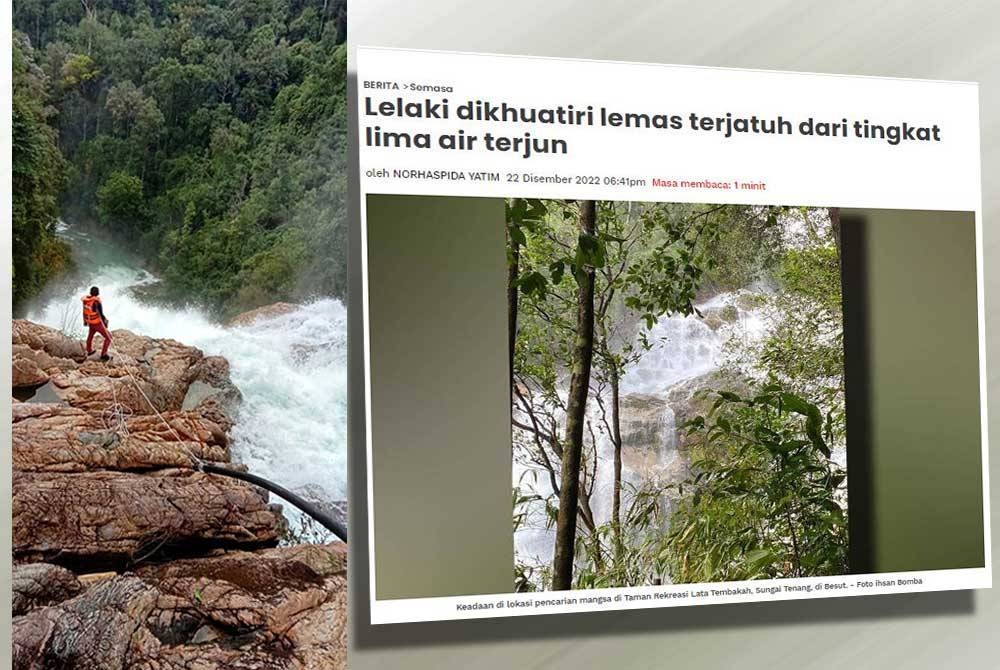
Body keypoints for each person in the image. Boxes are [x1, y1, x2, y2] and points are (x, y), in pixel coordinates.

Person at [82, 286, 112, 361]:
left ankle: (89, 351)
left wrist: (85, 321)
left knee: (90, 336)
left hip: (90, 322)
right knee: (109, 337)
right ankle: (103, 354)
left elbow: (84, 311)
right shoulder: (96, 302)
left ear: (90, 293)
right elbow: (101, 314)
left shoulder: (86, 301)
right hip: (97, 323)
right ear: (98, 293)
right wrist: (105, 322)